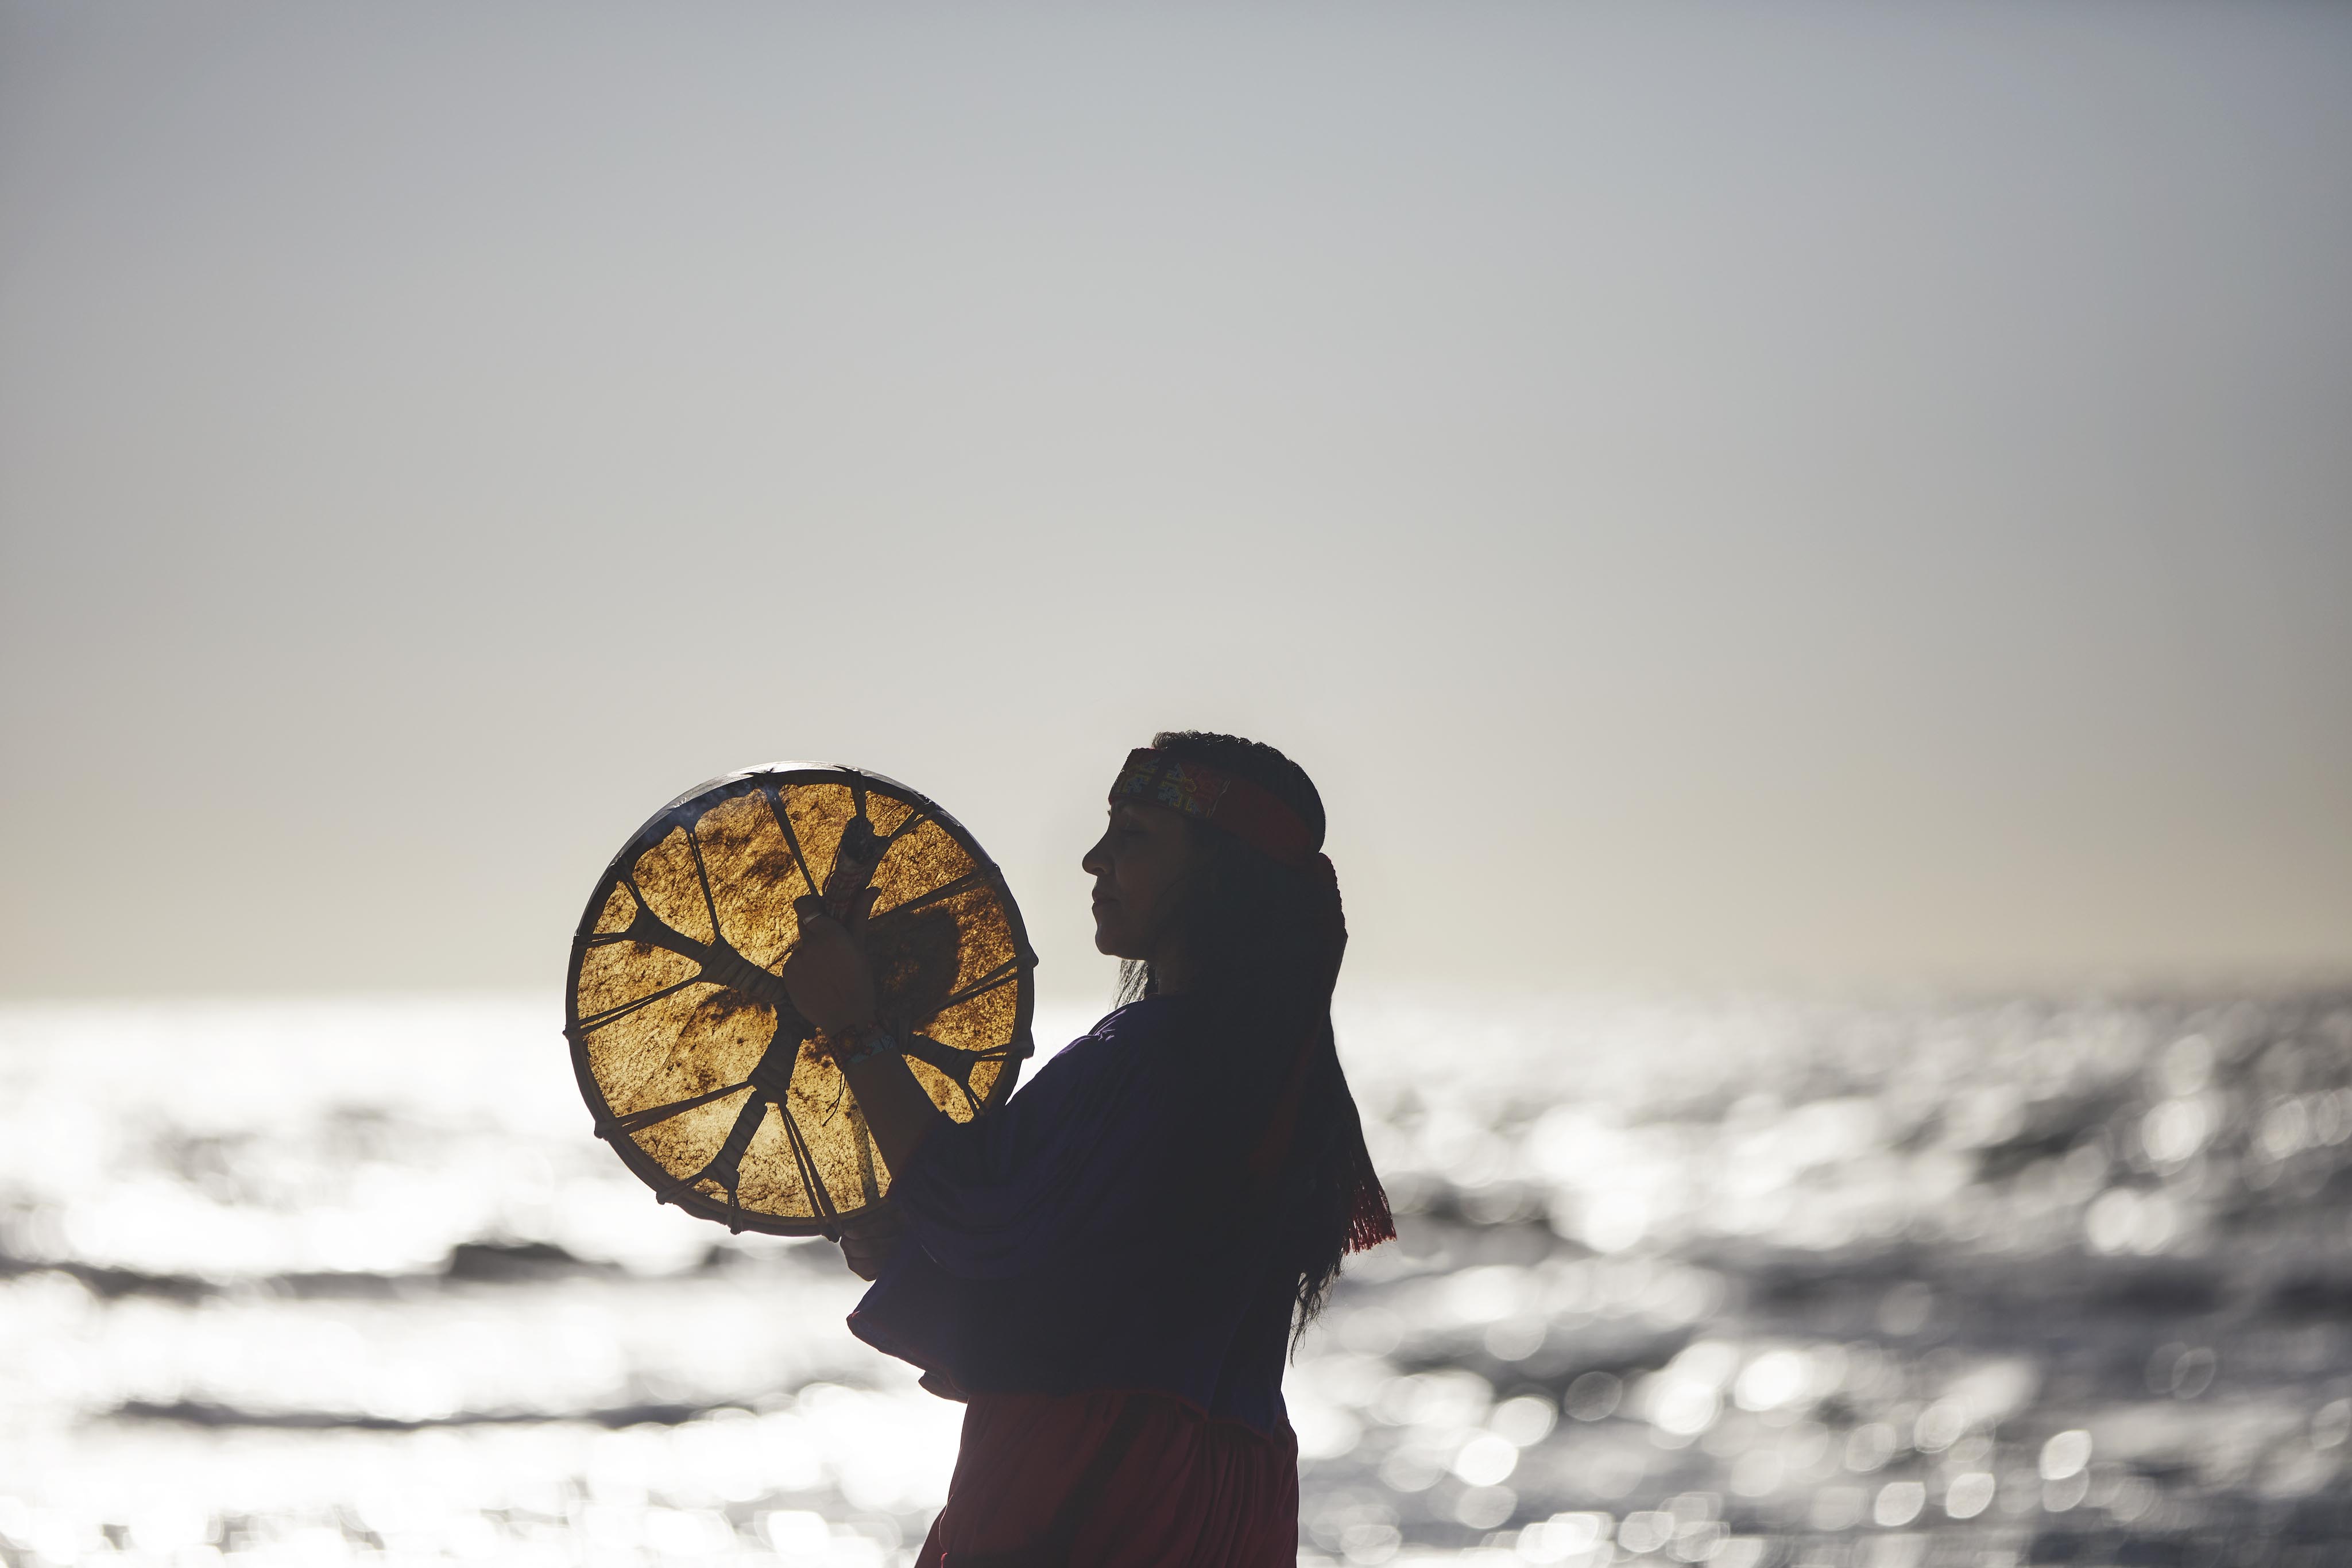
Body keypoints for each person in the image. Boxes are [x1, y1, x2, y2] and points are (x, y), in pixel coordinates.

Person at [781, 731, 1393, 1566]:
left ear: (1219, 871)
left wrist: (854, 1028)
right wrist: (912, 1247)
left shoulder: (1152, 1054)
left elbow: (980, 1219)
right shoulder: (1283, 1080)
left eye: (1133, 835)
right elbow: (1089, 1294)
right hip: (1236, 1496)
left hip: (1091, 1483)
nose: (1093, 859)